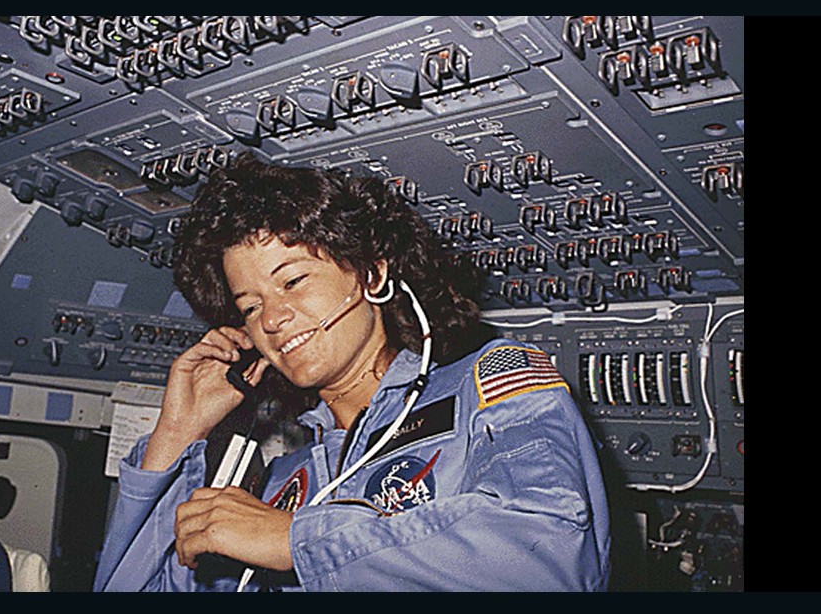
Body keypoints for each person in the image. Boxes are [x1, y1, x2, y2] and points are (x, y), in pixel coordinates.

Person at [93, 152, 610, 592]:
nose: (271, 319)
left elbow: (551, 555)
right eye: (250, 307)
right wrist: (176, 435)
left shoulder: (491, 382)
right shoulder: (280, 485)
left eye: (293, 280)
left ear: (372, 274)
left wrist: (293, 541)